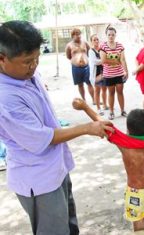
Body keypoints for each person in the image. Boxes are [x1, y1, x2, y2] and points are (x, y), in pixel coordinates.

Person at [0, 20, 110, 235]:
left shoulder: (25, 75)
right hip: (38, 179)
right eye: (27, 61)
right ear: (2, 59)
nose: (34, 66)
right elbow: (41, 138)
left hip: (56, 168)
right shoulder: (5, 98)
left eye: (37, 59)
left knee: (69, 227)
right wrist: (87, 128)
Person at [72, 84, 144, 231]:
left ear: (128, 130)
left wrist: (85, 107)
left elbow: (102, 123)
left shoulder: (124, 144)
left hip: (133, 192)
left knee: (138, 227)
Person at [100, 26, 128, 120]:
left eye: (112, 35)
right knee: (111, 93)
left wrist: (126, 71)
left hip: (119, 73)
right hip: (108, 75)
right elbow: (103, 60)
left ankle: (123, 110)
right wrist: (116, 61)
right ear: (106, 35)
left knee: (120, 92)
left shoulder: (120, 46)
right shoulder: (103, 46)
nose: (111, 36)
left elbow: (123, 59)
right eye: (109, 35)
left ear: (115, 35)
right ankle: (111, 112)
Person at [65, 28, 95, 103]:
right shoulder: (69, 45)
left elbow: (90, 52)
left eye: (79, 34)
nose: (78, 36)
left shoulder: (85, 43)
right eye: (76, 34)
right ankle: (84, 100)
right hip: (76, 68)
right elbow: (68, 56)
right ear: (72, 36)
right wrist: (76, 60)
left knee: (89, 83)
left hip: (86, 67)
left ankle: (94, 99)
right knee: (80, 84)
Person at [89, 34, 105, 115]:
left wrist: (103, 60)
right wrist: (103, 60)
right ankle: (99, 108)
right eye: (94, 40)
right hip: (97, 74)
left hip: (104, 73)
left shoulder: (102, 49)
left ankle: (105, 105)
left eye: (97, 39)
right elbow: (95, 61)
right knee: (97, 91)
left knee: (104, 90)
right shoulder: (91, 51)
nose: (96, 41)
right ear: (91, 42)